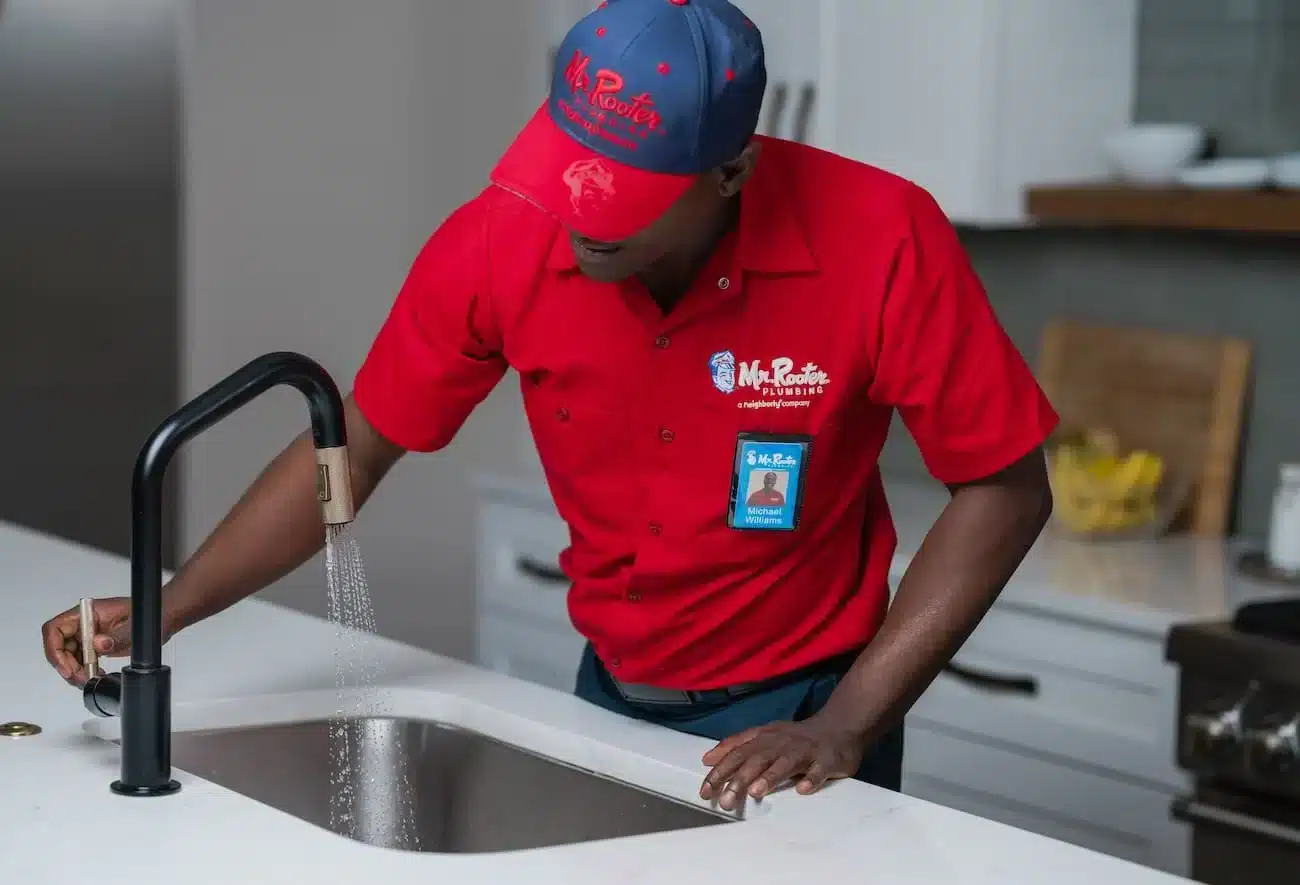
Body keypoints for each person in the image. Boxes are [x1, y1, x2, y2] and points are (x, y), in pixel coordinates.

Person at [41, 0, 1057, 812]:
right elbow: (350, 451)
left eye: (622, 195)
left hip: (804, 710)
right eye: (570, 170)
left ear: (732, 171)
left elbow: (1004, 491)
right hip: (607, 691)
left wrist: (850, 720)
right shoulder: (500, 238)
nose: (579, 213)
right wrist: (173, 607)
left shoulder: (882, 237)